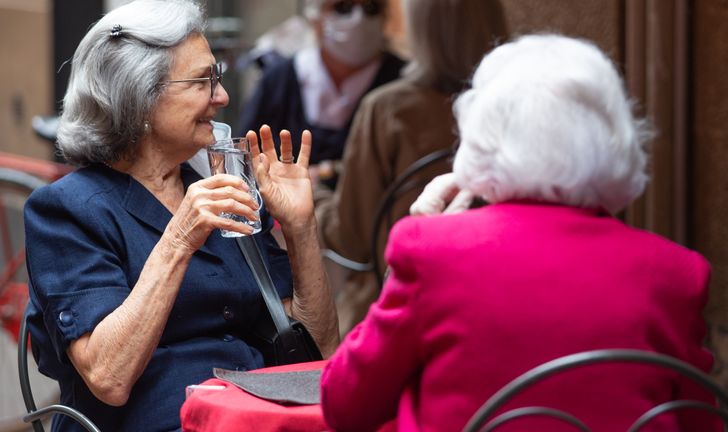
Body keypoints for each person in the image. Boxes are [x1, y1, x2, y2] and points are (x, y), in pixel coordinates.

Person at [320, 34, 717, 432]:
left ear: (482, 139)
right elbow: (702, 422)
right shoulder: (676, 272)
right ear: (616, 140)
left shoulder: (431, 250)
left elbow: (346, 406)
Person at [23, 1, 339, 431]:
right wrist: (178, 239)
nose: (222, 97)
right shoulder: (68, 211)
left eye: (219, 79)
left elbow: (319, 351)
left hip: (255, 418)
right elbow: (108, 378)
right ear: (140, 96)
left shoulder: (222, 190)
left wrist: (301, 228)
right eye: (204, 81)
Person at [314, 0, 507, 334]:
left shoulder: (389, 109)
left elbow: (351, 238)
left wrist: (311, 194)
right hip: (497, 300)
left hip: (402, 307)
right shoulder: (513, 107)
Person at [236, 0, 405, 188]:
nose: (359, 19)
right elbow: (241, 159)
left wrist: (326, 173)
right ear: (315, 16)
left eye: (371, 8)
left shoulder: (404, 82)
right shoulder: (279, 80)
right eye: (343, 7)